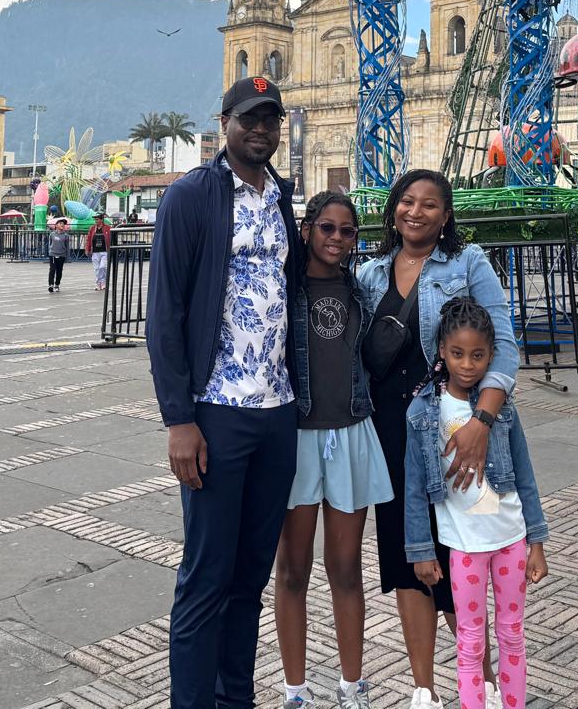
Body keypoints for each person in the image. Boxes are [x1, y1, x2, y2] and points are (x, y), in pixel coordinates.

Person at [147, 75, 305, 709]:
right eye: (250, 119)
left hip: (277, 413)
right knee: (207, 577)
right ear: (225, 124)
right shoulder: (191, 198)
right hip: (218, 413)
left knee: (249, 579)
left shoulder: (281, 198)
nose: (261, 129)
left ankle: (235, 699)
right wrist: (179, 419)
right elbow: (164, 312)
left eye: (271, 119)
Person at [358, 169, 517, 709]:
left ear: (446, 216)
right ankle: (423, 688)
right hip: (387, 432)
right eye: (407, 201)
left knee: (461, 555)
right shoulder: (370, 273)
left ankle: (486, 680)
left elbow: (506, 347)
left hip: (453, 432)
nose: (416, 212)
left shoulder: (468, 264)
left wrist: (483, 423)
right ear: (393, 209)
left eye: (430, 204)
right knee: (409, 557)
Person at [274, 192, 391, 709]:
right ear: (306, 230)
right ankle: (295, 690)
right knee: (293, 570)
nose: (337, 239)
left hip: (349, 433)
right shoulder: (285, 287)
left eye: (347, 232)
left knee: (345, 569)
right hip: (296, 434)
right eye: (326, 228)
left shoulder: (361, 291)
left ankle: (352, 684)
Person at [405, 300, 548, 709]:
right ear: (441, 353)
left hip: (510, 540)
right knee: (470, 639)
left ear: (491, 355)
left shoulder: (501, 409)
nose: (468, 365)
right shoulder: (422, 412)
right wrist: (421, 551)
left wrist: (536, 541)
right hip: (463, 547)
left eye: (479, 355)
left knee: (512, 632)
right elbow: (415, 489)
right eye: (457, 354)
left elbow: (525, 474)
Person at [85, 216, 112, 291]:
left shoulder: (108, 228)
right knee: (97, 268)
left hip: (104, 251)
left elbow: (111, 238)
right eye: (95, 219)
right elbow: (88, 239)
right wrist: (87, 249)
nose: (96, 221)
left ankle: (103, 282)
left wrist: (111, 249)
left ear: (101, 220)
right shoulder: (92, 228)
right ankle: (98, 283)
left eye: (97, 219)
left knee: (102, 267)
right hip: (95, 251)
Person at [46, 217, 70, 291]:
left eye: (63, 224)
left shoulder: (66, 236)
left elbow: (67, 247)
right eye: (60, 223)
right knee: (52, 270)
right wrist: (49, 252)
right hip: (53, 254)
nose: (62, 225)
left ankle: (57, 284)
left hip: (61, 255)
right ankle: (51, 285)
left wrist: (67, 257)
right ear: (56, 225)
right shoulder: (52, 234)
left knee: (59, 271)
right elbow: (50, 244)